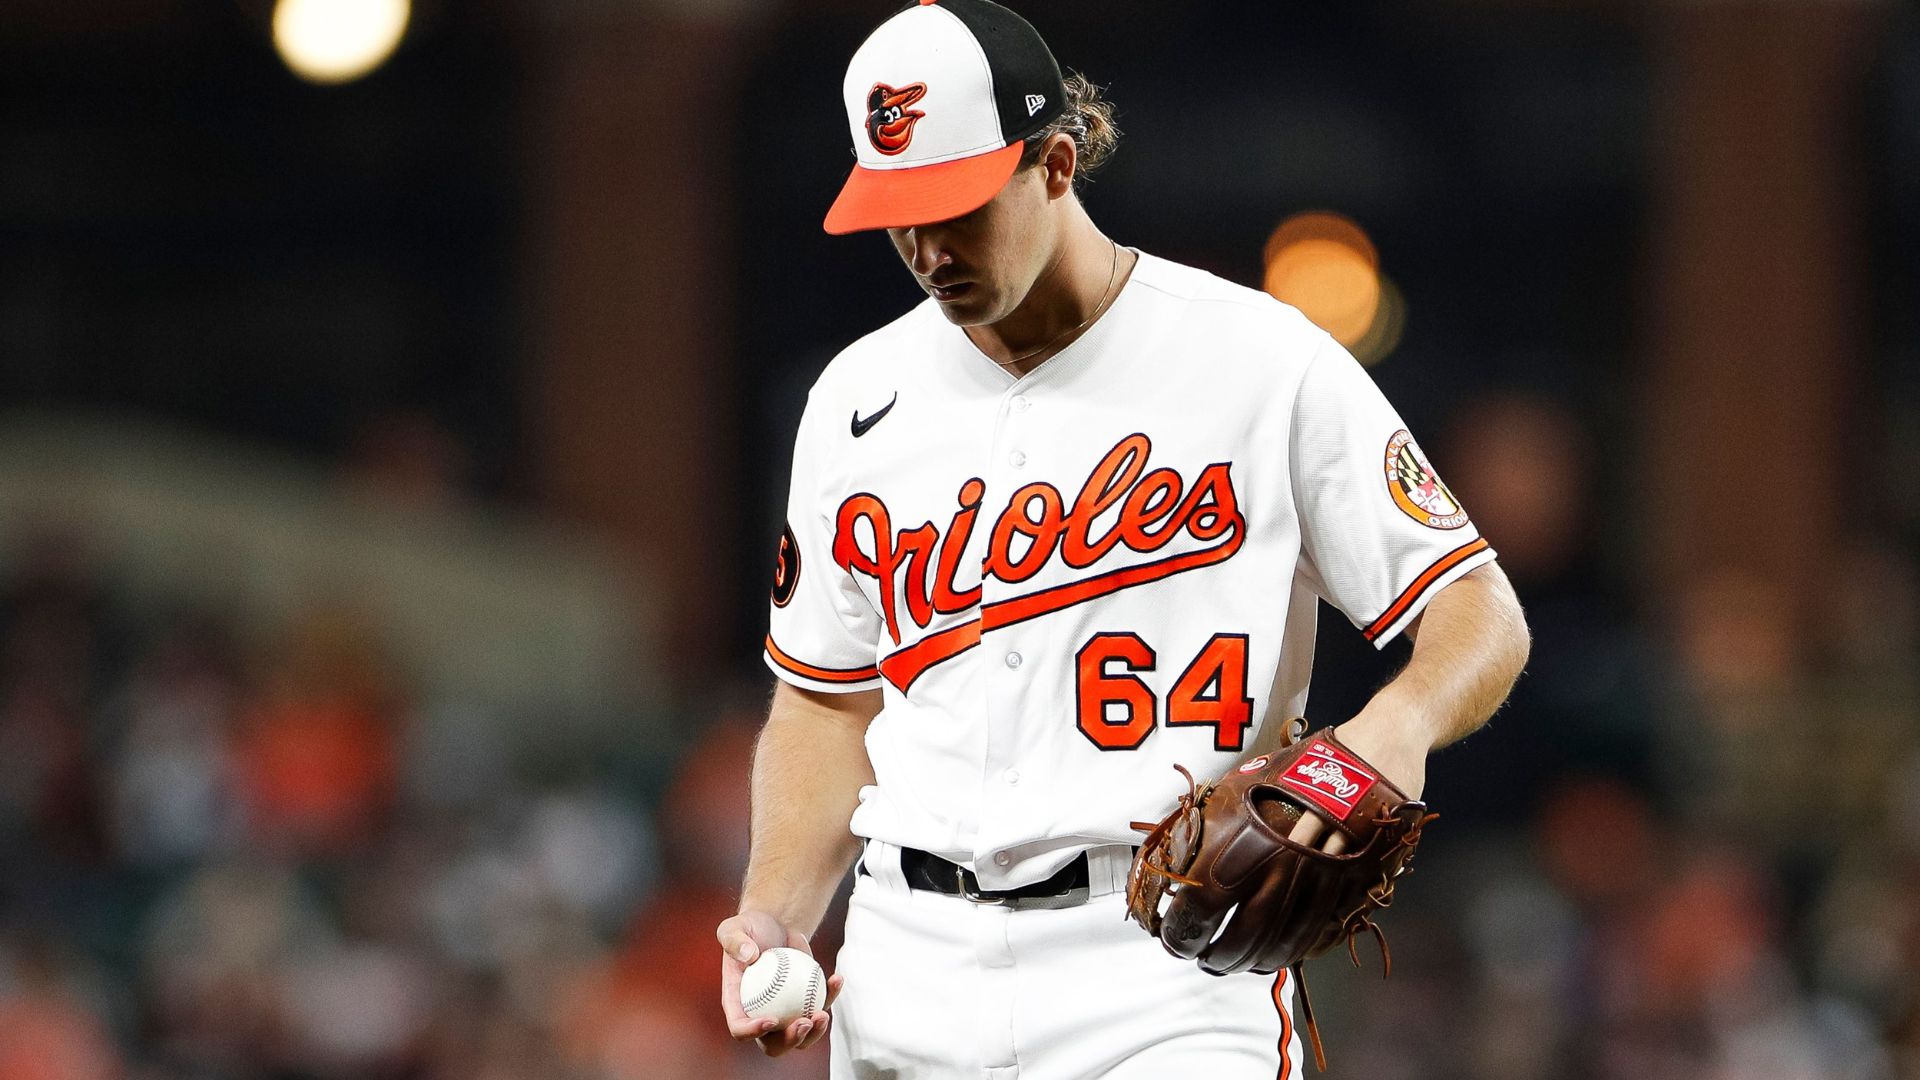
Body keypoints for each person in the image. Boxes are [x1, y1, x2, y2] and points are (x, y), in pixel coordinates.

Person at [716, 1, 1531, 1075]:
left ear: (1055, 162)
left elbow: (1479, 612)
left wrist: (1398, 725)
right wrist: (776, 913)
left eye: (956, 207)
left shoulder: (1258, 360)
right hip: (909, 959)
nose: (926, 247)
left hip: (1167, 960)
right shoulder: (856, 397)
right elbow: (828, 696)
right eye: (898, 213)